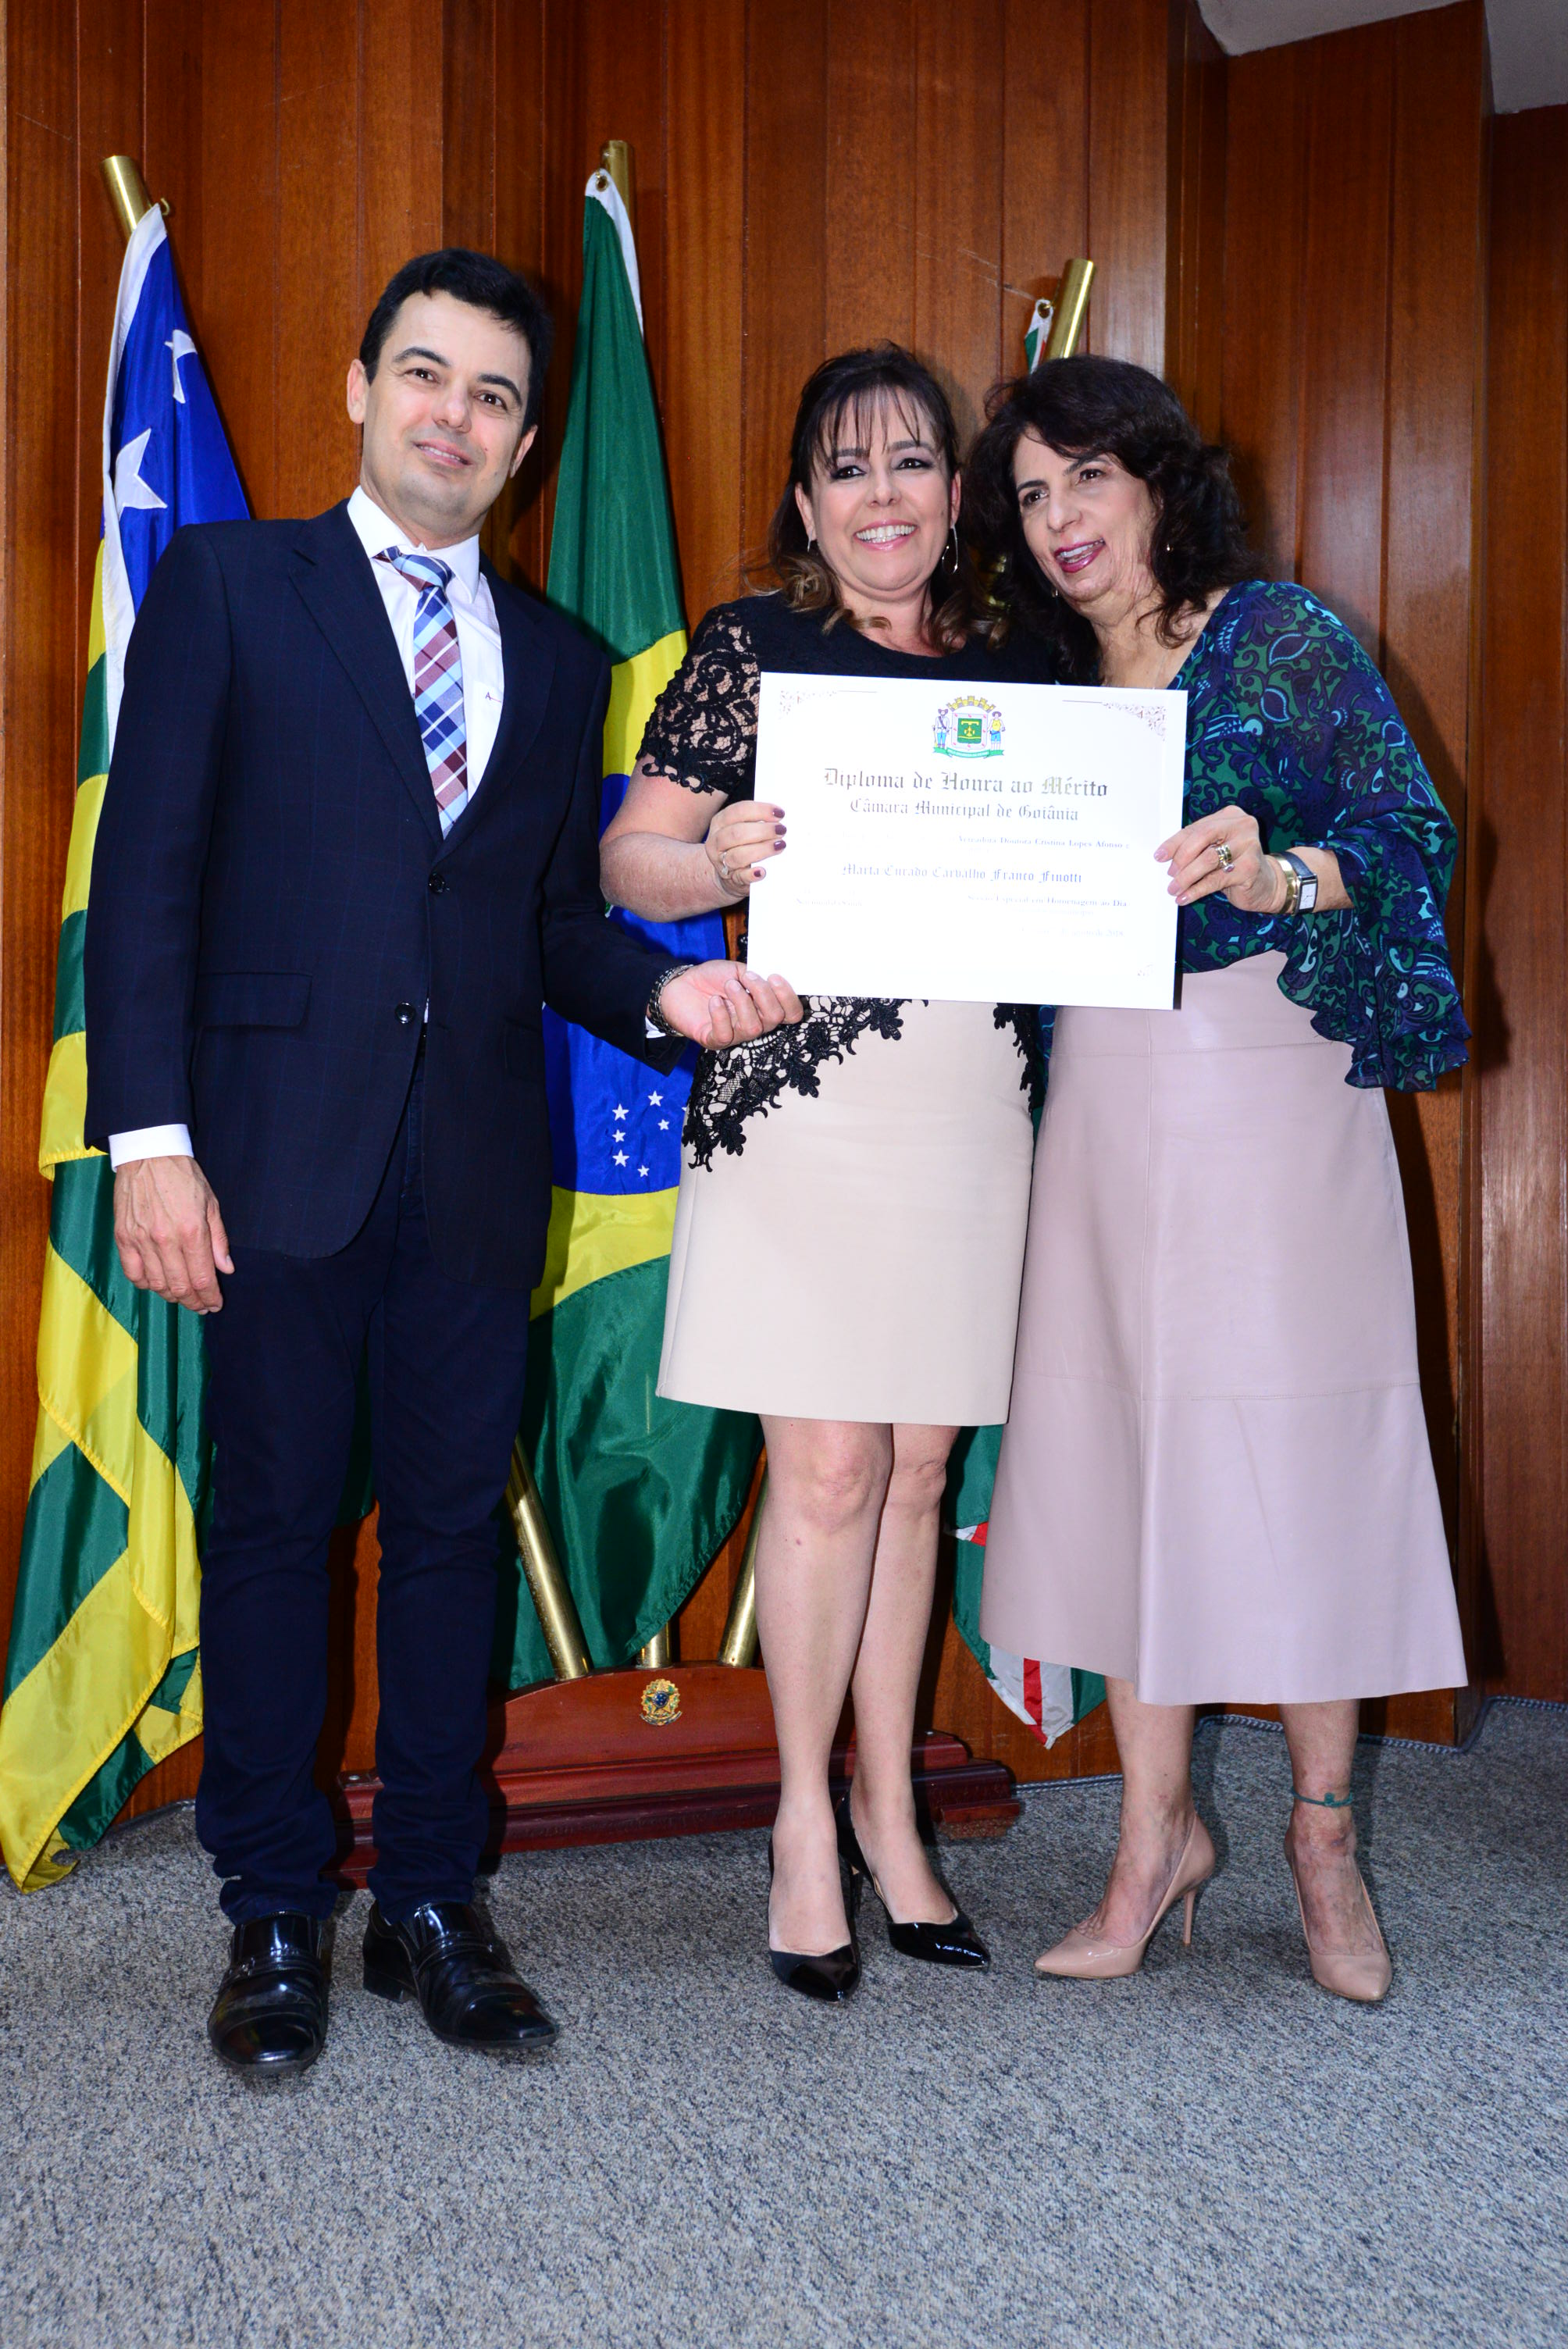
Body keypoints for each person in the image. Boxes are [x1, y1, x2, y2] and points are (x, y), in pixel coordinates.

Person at [84, 248, 801, 2078]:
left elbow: (549, 924)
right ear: (358, 388)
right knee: (272, 1530)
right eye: (423, 374)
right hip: (270, 1158)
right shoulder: (231, 586)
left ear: (527, 439)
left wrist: (665, 991)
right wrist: (151, 1142)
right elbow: (145, 877)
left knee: (451, 1539)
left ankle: (427, 1898)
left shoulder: (557, 663)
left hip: (477, 1170)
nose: (453, 417)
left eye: (492, 395)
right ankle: (269, 1908)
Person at [965, 355, 1469, 2004]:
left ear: (1157, 481)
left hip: (1273, 1082)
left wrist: (1279, 870)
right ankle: (1152, 1838)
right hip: (1105, 1097)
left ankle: (1323, 1839)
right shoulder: (1035, 683)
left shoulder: (1279, 636)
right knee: (1126, 1450)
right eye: (1029, 495)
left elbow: (1406, 836)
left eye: (1085, 479)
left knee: (1300, 1454)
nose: (1059, 518)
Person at [600, 344, 1052, 2001]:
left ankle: (887, 1809)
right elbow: (628, 857)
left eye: (910, 460)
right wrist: (709, 856)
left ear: (957, 490)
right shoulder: (752, 649)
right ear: (805, 503)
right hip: (799, 1097)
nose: (881, 495)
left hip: (972, 1102)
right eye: (846, 468)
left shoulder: (1024, 659)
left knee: (920, 1469)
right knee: (831, 1473)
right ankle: (803, 1816)